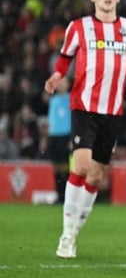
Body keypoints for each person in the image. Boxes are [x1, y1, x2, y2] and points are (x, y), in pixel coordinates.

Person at [44, 0, 126, 259]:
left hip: (113, 112)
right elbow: (65, 57)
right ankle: (67, 235)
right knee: (80, 166)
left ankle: (75, 231)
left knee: (95, 173)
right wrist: (57, 75)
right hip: (83, 107)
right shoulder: (79, 27)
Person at [46, 76, 71, 204]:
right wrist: (47, 137)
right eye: (59, 82)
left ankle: (66, 195)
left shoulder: (72, 99)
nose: (61, 84)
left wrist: (72, 138)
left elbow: (74, 120)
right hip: (54, 136)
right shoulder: (53, 100)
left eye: (63, 82)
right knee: (56, 167)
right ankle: (58, 194)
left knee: (65, 167)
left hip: (66, 136)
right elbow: (51, 120)